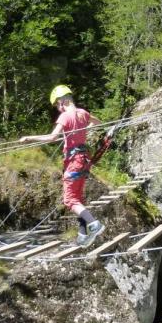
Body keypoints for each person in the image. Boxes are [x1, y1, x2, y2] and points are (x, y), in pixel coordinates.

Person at [19, 85, 107, 247]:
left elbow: (52, 138)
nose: (58, 109)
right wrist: (83, 130)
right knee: (78, 198)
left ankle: (94, 224)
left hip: (73, 163)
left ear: (63, 101)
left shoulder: (65, 117)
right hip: (83, 160)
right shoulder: (83, 113)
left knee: (70, 200)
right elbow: (98, 122)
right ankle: (82, 234)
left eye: (58, 105)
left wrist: (29, 138)